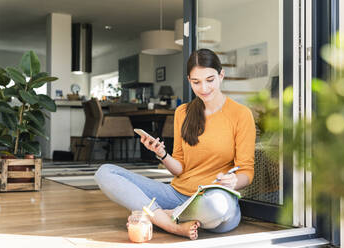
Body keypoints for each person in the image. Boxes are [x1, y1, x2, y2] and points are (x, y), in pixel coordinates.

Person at [94, 48, 256, 240]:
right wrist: (162, 154)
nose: (203, 88)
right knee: (104, 173)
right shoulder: (183, 112)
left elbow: (247, 171)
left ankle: (160, 214)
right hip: (177, 194)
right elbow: (179, 169)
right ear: (189, 81)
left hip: (212, 199)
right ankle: (171, 223)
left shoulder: (241, 114)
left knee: (218, 208)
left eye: (210, 80)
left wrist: (235, 181)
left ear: (221, 75)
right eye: (196, 82)